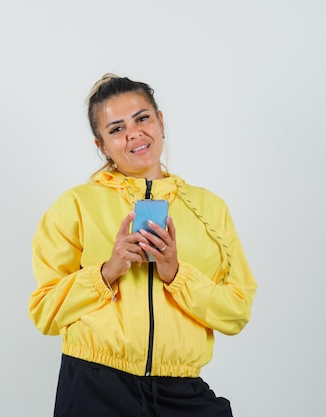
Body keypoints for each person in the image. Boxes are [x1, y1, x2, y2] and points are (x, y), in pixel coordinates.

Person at [28, 74, 257, 417]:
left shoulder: (210, 208)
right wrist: (107, 272)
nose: (133, 133)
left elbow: (236, 312)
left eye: (142, 118)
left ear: (160, 121)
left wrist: (176, 274)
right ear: (101, 145)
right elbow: (45, 312)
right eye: (116, 128)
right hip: (95, 386)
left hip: (180, 390)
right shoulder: (74, 206)